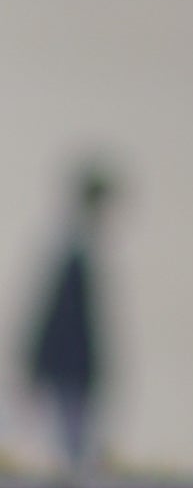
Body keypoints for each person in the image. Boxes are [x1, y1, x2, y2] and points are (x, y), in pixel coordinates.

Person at [23, 165, 116, 471]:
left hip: (73, 368)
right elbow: (59, 316)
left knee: (73, 442)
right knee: (71, 445)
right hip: (70, 368)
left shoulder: (76, 249)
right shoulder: (74, 253)